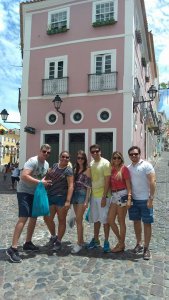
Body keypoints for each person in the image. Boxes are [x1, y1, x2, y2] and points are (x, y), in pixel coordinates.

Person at [6, 144, 52, 263]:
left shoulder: (46, 164)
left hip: (35, 193)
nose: (46, 154)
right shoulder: (32, 161)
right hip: (24, 192)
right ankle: (13, 248)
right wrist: (40, 182)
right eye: (44, 151)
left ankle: (28, 242)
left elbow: (43, 178)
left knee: (34, 217)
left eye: (48, 152)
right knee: (23, 218)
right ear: (40, 151)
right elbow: (24, 176)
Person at [128, 146, 156, 260]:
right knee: (136, 223)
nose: (134, 156)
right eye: (131, 154)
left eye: (136, 154)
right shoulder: (129, 167)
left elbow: (153, 181)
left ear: (140, 154)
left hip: (145, 200)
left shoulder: (146, 165)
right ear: (129, 156)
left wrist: (151, 198)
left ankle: (146, 247)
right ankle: (139, 243)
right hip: (134, 200)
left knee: (147, 223)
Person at [44, 151, 74, 251]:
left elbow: (71, 186)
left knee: (61, 220)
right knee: (47, 218)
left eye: (67, 157)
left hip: (61, 198)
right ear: (59, 157)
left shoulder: (68, 170)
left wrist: (68, 201)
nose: (65, 159)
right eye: (63, 156)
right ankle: (53, 236)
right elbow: (48, 177)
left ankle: (59, 241)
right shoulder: (54, 166)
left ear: (69, 159)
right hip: (50, 196)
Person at [87, 144, 111, 253]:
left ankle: (106, 241)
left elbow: (107, 181)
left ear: (100, 151)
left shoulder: (105, 163)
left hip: (103, 196)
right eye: (93, 152)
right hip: (94, 196)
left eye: (97, 151)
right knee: (96, 219)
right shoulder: (91, 164)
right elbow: (90, 181)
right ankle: (96, 239)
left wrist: (104, 197)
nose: (95, 153)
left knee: (105, 220)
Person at [108, 151, 132, 252]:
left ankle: (121, 244)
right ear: (112, 159)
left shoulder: (124, 169)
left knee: (121, 221)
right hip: (114, 195)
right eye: (114, 158)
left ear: (121, 159)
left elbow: (129, 185)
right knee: (110, 220)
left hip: (123, 195)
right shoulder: (112, 169)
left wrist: (129, 198)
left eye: (118, 158)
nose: (116, 160)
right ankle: (120, 241)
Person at [71, 150, 91, 254]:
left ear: (85, 159)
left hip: (82, 194)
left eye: (82, 158)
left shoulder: (87, 170)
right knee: (79, 220)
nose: (80, 160)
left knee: (78, 219)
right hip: (75, 195)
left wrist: (86, 201)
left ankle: (79, 243)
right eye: (78, 158)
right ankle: (81, 240)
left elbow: (88, 187)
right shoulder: (75, 169)